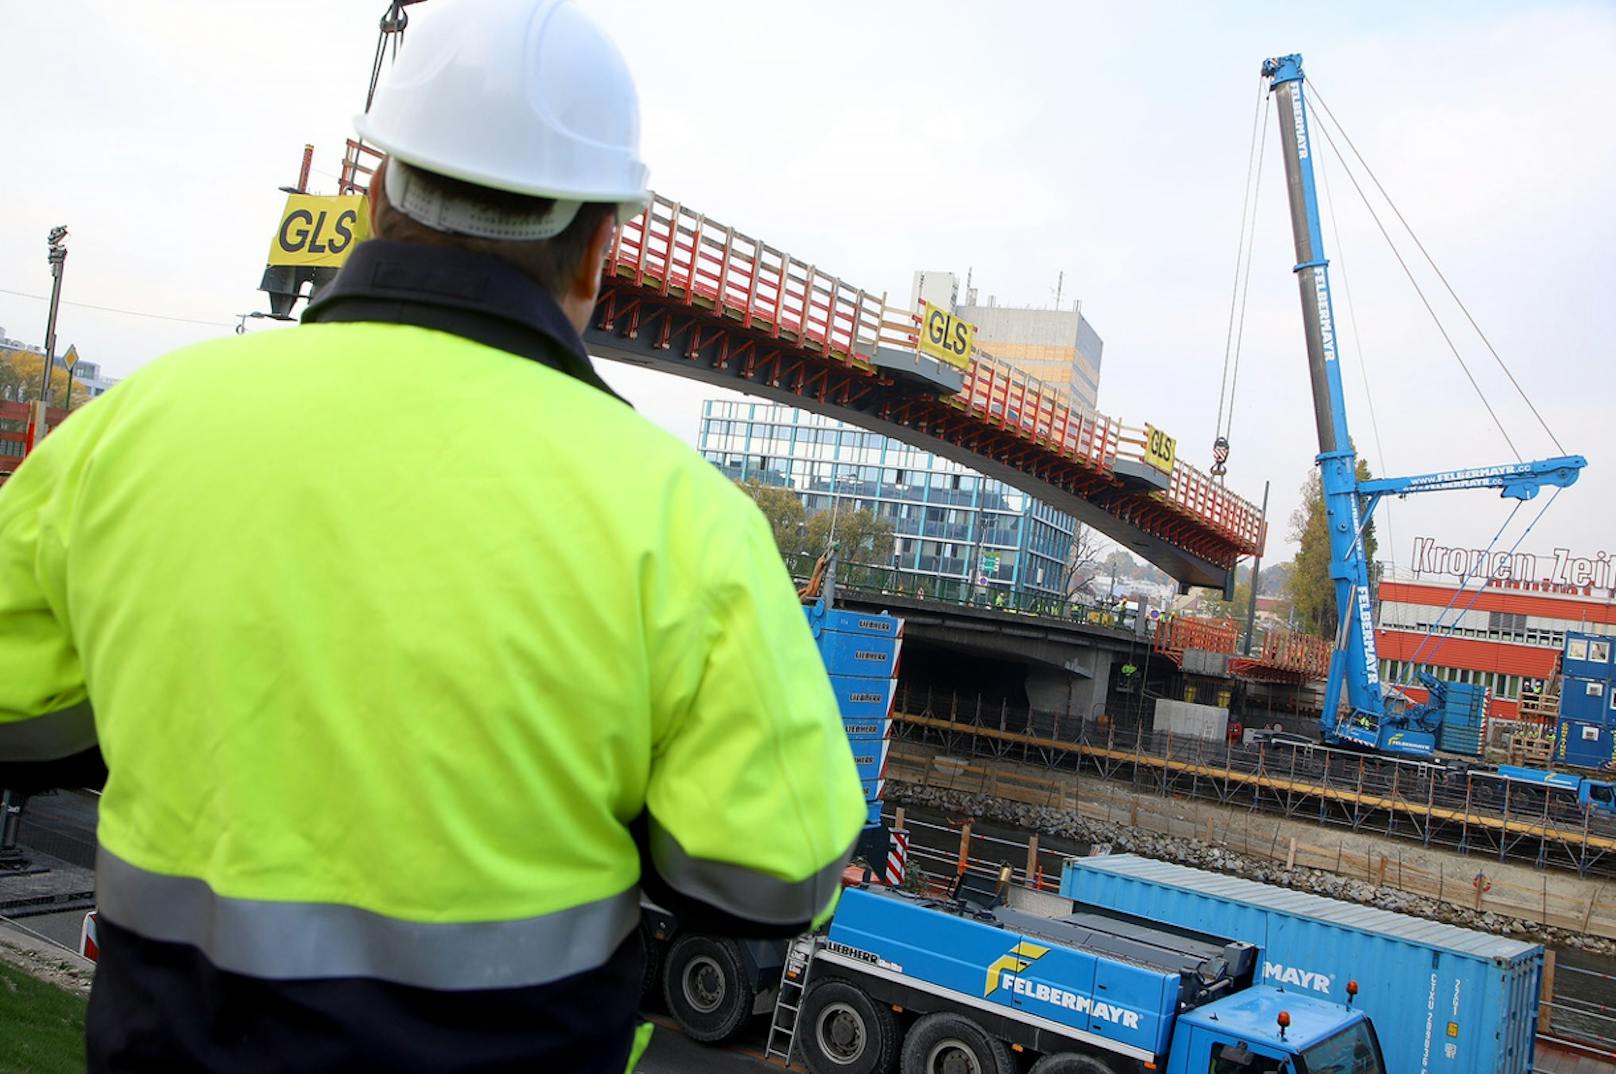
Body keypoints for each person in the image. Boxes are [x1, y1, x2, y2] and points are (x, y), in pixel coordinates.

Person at [0, 1, 866, 1071]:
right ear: (601, 248)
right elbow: (775, 871)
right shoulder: (684, 522)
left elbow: (20, 711)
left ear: (373, 197)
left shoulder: (129, 431)